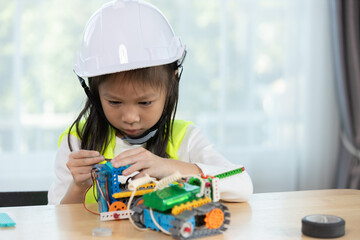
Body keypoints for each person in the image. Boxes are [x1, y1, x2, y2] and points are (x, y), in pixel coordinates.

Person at [48, 0, 253, 205]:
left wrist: (168, 167)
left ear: (171, 84)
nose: (130, 117)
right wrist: (79, 186)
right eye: (114, 102)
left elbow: (242, 185)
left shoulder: (185, 139)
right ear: (94, 92)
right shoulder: (77, 142)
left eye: (145, 102)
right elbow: (53, 219)